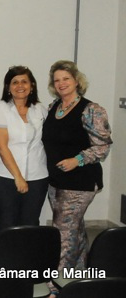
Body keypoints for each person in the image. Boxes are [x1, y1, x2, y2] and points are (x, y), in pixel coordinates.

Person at [42, 61, 112, 275]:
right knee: (75, 232)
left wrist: (77, 160)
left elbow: (103, 147)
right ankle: (80, 275)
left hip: (80, 183)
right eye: (57, 80)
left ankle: (56, 283)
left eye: (66, 78)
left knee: (63, 234)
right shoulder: (54, 107)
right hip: (56, 182)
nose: (61, 83)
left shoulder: (92, 110)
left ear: (76, 80)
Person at [0, 66, 48, 232]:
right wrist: (18, 177)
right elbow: (1, 146)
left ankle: (28, 259)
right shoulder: (1, 108)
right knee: (7, 224)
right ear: (8, 87)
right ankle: (4, 259)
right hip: (6, 177)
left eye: (24, 81)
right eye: (14, 82)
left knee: (30, 225)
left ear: (32, 85)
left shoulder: (40, 109)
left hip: (37, 176)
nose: (20, 85)